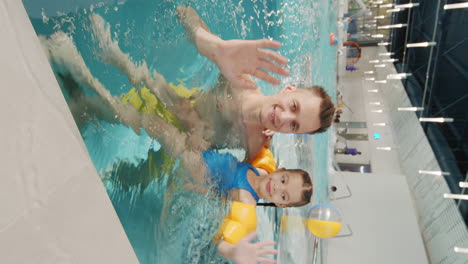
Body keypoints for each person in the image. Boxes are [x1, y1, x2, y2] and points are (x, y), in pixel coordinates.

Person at [40, 7, 335, 163]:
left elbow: (236, 185)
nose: (283, 117)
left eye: (294, 125)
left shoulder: (256, 146)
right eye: (293, 107)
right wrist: (216, 47)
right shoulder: (240, 82)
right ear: (288, 90)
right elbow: (184, 12)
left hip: (177, 144)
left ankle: (77, 86)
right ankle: (84, 78)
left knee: (121, 116)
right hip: (175, 103)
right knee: (138, 93)